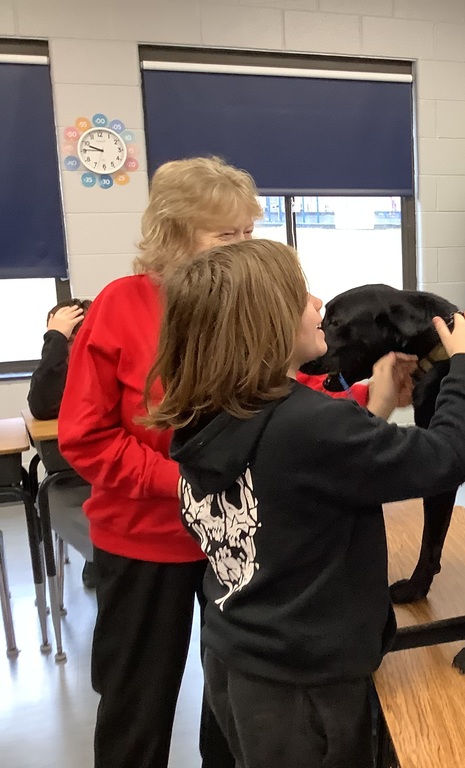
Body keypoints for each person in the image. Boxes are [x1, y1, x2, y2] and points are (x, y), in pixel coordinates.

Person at [144, 239, 465, 768]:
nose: (317, 303)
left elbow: (296, 492)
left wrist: (374, 409)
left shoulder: (204, 416)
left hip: (237, 661)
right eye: (301, 295)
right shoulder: (311, 425)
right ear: (267, 325)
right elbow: (447, 458)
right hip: (308, 691)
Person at [58, 156, 263, 768]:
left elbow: (288, 394)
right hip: (145, 541)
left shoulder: (245, 303)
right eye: (226, 235)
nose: (243, 248)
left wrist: (366, 396)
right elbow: (85, 438)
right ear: (176, 235)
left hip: (233, 539)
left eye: (249, 232)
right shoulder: (121, 306)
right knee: (138, 706)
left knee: (232, 704)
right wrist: (182, 482)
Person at [27, 298, 97, 588]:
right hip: (72, 479)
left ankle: (108, 558)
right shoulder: (56, 369)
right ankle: (99, 557)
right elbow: (42, 406)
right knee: (50, 501)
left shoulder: (105, 358)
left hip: (113, 474)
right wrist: (55, 340)